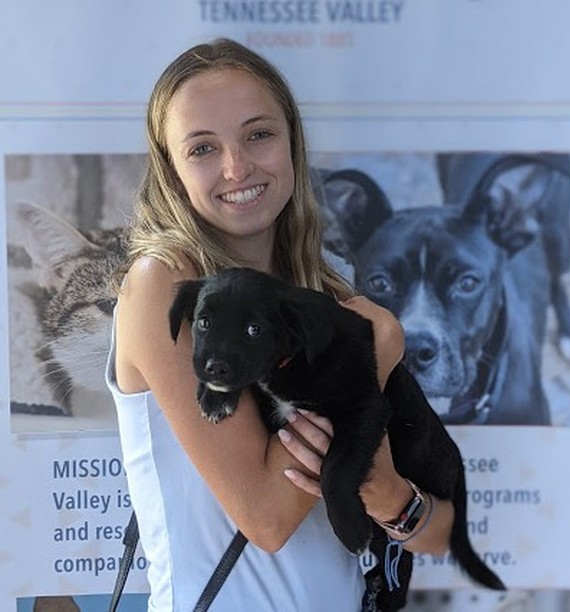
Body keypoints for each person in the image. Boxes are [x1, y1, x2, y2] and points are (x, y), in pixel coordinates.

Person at [106, 37, 454, 611]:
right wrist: (375, 354)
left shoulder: (331, 284)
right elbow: (267, 518)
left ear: (292, 141)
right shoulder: (163, 287)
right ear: (170, 170)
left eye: (259, 134)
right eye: (202, 148)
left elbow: (438, 534)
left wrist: (395, 498)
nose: (237, 166)